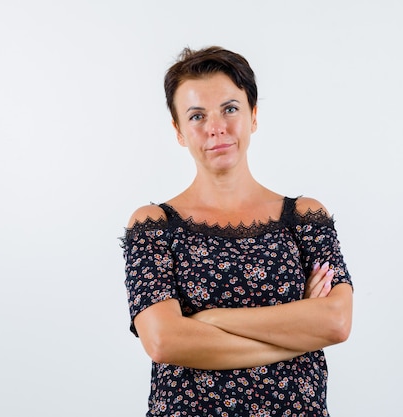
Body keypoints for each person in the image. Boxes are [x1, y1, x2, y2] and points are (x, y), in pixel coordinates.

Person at [121, 46, 353, 417]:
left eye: (230, 109)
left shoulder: (305, 218)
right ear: (179, 131)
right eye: (197, 116)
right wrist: (298, 332)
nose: (216, 128)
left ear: (253, 116)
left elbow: (336, 322)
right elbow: (164, 341)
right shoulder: (154, 227)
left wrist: (210, 319)